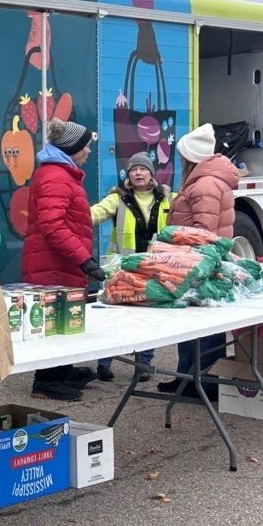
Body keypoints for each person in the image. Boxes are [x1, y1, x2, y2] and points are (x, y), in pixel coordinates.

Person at [22, 118, 102, 401]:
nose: (89, 151)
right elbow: (52, 225)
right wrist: (84, 260)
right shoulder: (56, 176)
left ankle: (63, 370)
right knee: (53, 321)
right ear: (72, 148)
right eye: (86, 147)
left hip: (59, 262)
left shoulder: (63, 173)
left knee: (65, 319)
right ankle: (46, 381)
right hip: (52, 265)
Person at [157, 122, 238, 397]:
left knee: (204, 326)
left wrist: (171, 242)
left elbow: (204, 232)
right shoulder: (205, 181)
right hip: (196, 263)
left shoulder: (204, 185)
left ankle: (204, 380)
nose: (178, 159)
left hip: (198, 264)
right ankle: (188, 377)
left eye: (181, 155)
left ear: (190, 157)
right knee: (193, 324)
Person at [89, 151, 172, 381]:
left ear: (151, 174)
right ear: (128, 175)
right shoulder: (118, 198)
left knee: (148, 317)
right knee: (114, 317)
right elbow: (95, 213)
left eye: (143, 169)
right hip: (122, 269)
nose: (138, 173)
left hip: (153, 269)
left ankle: (143, 364)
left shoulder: (167, 198)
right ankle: (104, 363)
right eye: (134, 169)